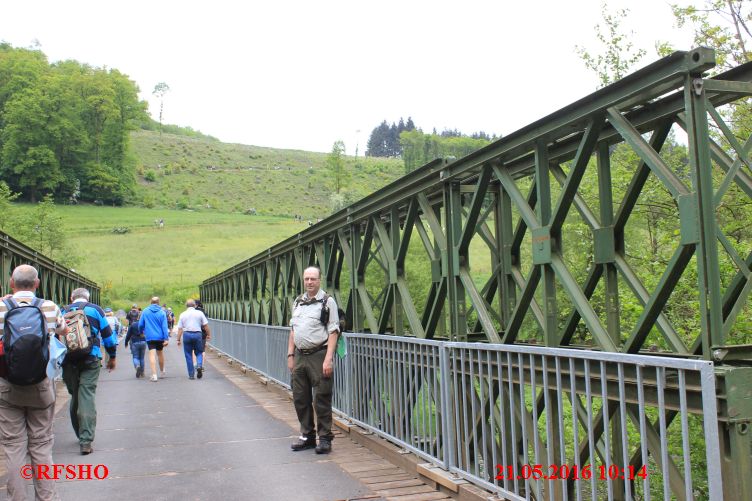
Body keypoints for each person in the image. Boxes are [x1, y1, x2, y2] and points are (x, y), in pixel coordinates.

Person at [0, 265, 67, 501]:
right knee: (41, 446)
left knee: (13, 447)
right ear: (37, 284)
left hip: (7, 386)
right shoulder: (48, 307)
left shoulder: (1, 307)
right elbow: (64, 330)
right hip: (40, 385)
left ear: (11, 283)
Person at [287, 266, 339, 454]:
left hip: (319, 354)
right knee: (300, 397)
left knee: (321, 398)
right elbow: (293, 330)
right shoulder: (298, 302)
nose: (309, 282)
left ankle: (325, 438)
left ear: (319, 280)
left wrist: (328, 359)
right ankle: (307, 435)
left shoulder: (327, 301)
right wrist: (290, 355)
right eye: (307, 279)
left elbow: (334, 331)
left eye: (313, 279)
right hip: (300, 355)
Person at [61, 288, 117, 455]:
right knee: (87, 395)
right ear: (88, 298)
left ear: (72, 297)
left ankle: (80, 434)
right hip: (90, 358)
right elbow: (108, 335)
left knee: (75, 396)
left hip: (68, 360)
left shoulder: (63, 310)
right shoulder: (95, 310)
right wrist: (112, 357)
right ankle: (86, 441)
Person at [176, 299, 210, 379]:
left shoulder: (182, 314)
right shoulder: (200, 313)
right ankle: (199, 365)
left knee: (188, 355)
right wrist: (208, 334)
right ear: (195, 305)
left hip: (187, 334)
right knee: (199, 352)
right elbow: (205, 326)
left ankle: (191, 375)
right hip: (198, 334)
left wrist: (178, 339)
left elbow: (180, 329)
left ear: (186, 306)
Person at [139, 297, 169, 382]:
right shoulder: (162, 312)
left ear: (150, 302)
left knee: (152, 354)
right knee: (160, 353)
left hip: (150, 336)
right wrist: (166, 338)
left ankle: (154, 375)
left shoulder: (145, 311)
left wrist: (141, 332)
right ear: (158, 303)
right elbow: (164, 326)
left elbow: (141, 324)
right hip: (160, 337)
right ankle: (162, 371)